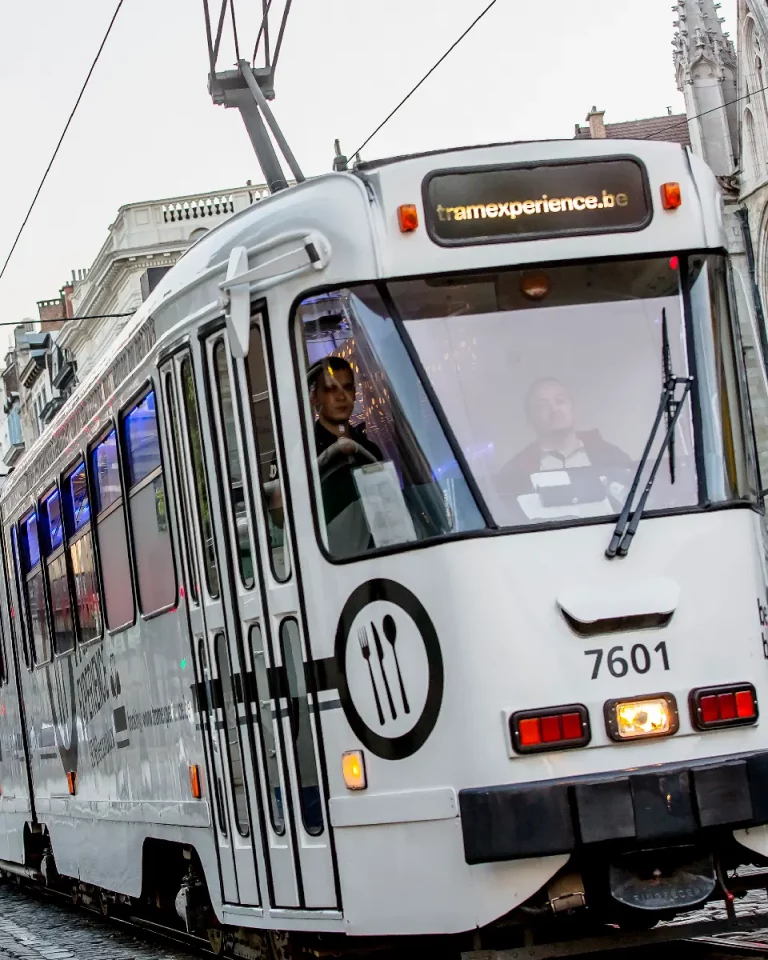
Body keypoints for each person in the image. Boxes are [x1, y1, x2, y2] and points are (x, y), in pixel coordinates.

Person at [266, 356, 383, 555]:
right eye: (330, 389)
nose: (341, 397)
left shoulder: (369, 449)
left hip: (373, 558)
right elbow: (279, 518)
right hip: (323, 561)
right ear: (313, 397)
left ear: (354, 394)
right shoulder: (296, 451)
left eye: (347, 388)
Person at [498, 377, 632, 498]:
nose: (554, 409)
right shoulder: (514, 473)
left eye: (560, 401)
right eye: (542, 405)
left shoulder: (613, 458)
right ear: (530, 419)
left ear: (573, 409)